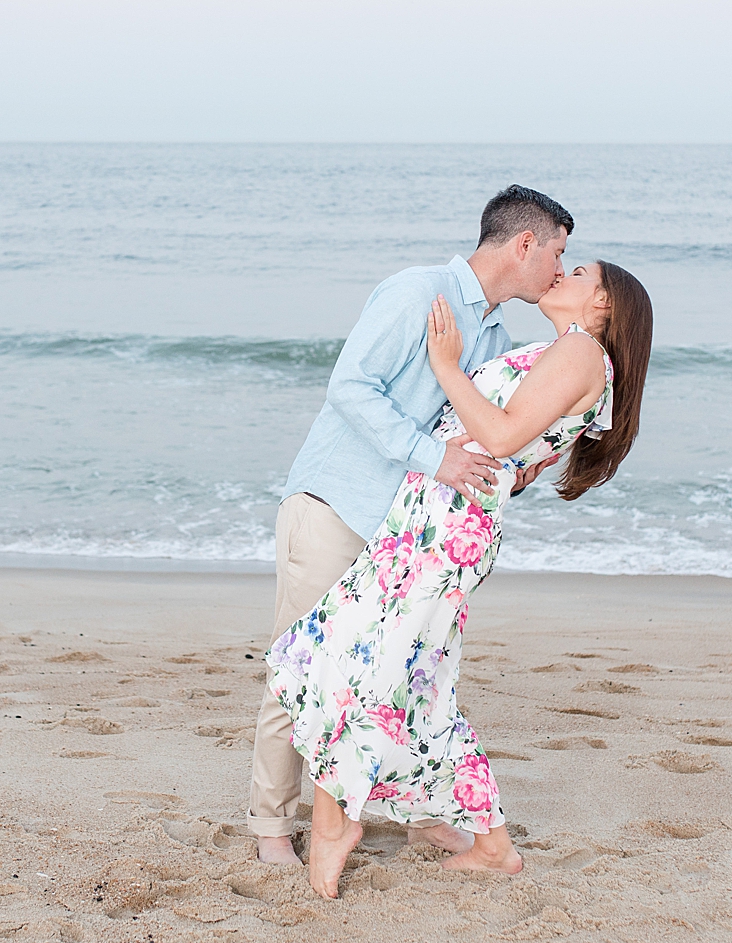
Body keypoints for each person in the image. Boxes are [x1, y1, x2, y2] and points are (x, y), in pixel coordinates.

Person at [265, 257, 653, 898]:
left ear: (604, 305)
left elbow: (498, 437)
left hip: (442, 526)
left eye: (577, 270)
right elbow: (520, 453)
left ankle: (335, 821)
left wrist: (446, 365)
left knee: (361, 662)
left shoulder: (582, 353)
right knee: (413, 682)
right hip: (436, 517)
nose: (561, 272)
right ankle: (492, 843)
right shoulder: (569, 356)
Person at [246, 185, 573, 867]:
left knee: (406, 681)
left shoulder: (493, 336)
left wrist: (517, 465)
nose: (559, 271)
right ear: (524, 245)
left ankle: (423, 820)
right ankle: (272, 827)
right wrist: (436, 457)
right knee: (302, 670)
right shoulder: (416, 293)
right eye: (558, 253)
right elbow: (352, 387)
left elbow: (470, 434)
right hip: (336, 506)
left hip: (403, 536)